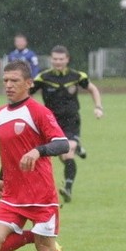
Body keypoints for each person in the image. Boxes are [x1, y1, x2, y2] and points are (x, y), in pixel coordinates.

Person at [0, 60, 85, 251]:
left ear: (29, 84)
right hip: (12, 196)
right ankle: (33, 237)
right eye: (5, 80)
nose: (8, 85)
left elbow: (62, 143)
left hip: (41, 196)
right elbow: (10, 152)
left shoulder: (38, 111)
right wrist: (2, 177)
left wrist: (39, 151)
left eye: (14, 80)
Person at [31, 45, 103, 202]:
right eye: (55, 59)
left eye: (61, 59)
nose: (58, 62)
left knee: (67, 153)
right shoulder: (43, 78)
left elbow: (93, 89)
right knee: (63, 157)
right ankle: (78, 147)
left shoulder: (77, 76)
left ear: (67, 59)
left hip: (71, 121)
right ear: (51, 59)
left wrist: (98, 107)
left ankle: (68, 188)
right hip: (51, 123)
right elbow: (26, 93)